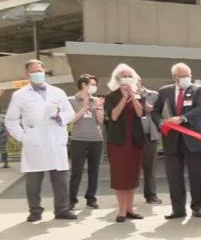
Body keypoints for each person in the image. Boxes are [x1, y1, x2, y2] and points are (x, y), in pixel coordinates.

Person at [4, 60, 77, 222]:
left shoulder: (57, 92)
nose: (37, 74)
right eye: (33, 72)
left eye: (39, 70)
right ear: (27, 74)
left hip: (55, 139)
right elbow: (11, 120)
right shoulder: (20, 95)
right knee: (33, 181)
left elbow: (70, 113)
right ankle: (35, 211)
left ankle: (62, 209)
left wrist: (60, 116)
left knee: (60, 178)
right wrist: (24, 137)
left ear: (44, 71)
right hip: (34, 143)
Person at [153, 62, 201, 219]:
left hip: (194, 141)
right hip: (172, 141)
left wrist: (182, 118)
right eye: (182, 75)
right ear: (174, 77)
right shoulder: (164, 91)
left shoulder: (199, 90)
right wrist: (160, 123)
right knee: (174, 177)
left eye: (188, 75)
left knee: (196, 176)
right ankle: (178, 209)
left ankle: (197, 208)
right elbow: (155, 111)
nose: (186, 78)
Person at [104, 64, 147, 222]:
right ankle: (121, 210)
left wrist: (133, 96)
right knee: (120, 176)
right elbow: (113, 116)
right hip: (118, 141)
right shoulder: (111, 96)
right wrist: (123, 98)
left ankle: (130, 209)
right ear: (118, 79)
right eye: (124, 76)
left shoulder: (137, 95)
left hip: (134, 140)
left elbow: (140, 112)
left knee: (132, 175)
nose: (127, 79)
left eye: (130, 76)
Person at [67, 74, 105, 210]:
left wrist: (99, 108)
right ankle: (71, 200)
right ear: (84, 85)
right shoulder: (71, 100)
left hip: (96, 139)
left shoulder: (96, 100)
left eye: (95, 85)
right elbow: (72, 120)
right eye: (92, 84)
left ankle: (91, 198)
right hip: (78, 139)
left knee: (93, 171)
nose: (94, 87)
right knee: (76, 171)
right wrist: (84, 107)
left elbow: (100, 121)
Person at [139, 79, 163, 204]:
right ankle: (126, 197)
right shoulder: (126, 96)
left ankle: (151, 194)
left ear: (141, 83)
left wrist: (151, 109)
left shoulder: (154, 95)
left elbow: (161, 112)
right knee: (130, 168)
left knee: (150, 167)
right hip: (132, 136)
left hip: (149, 136)